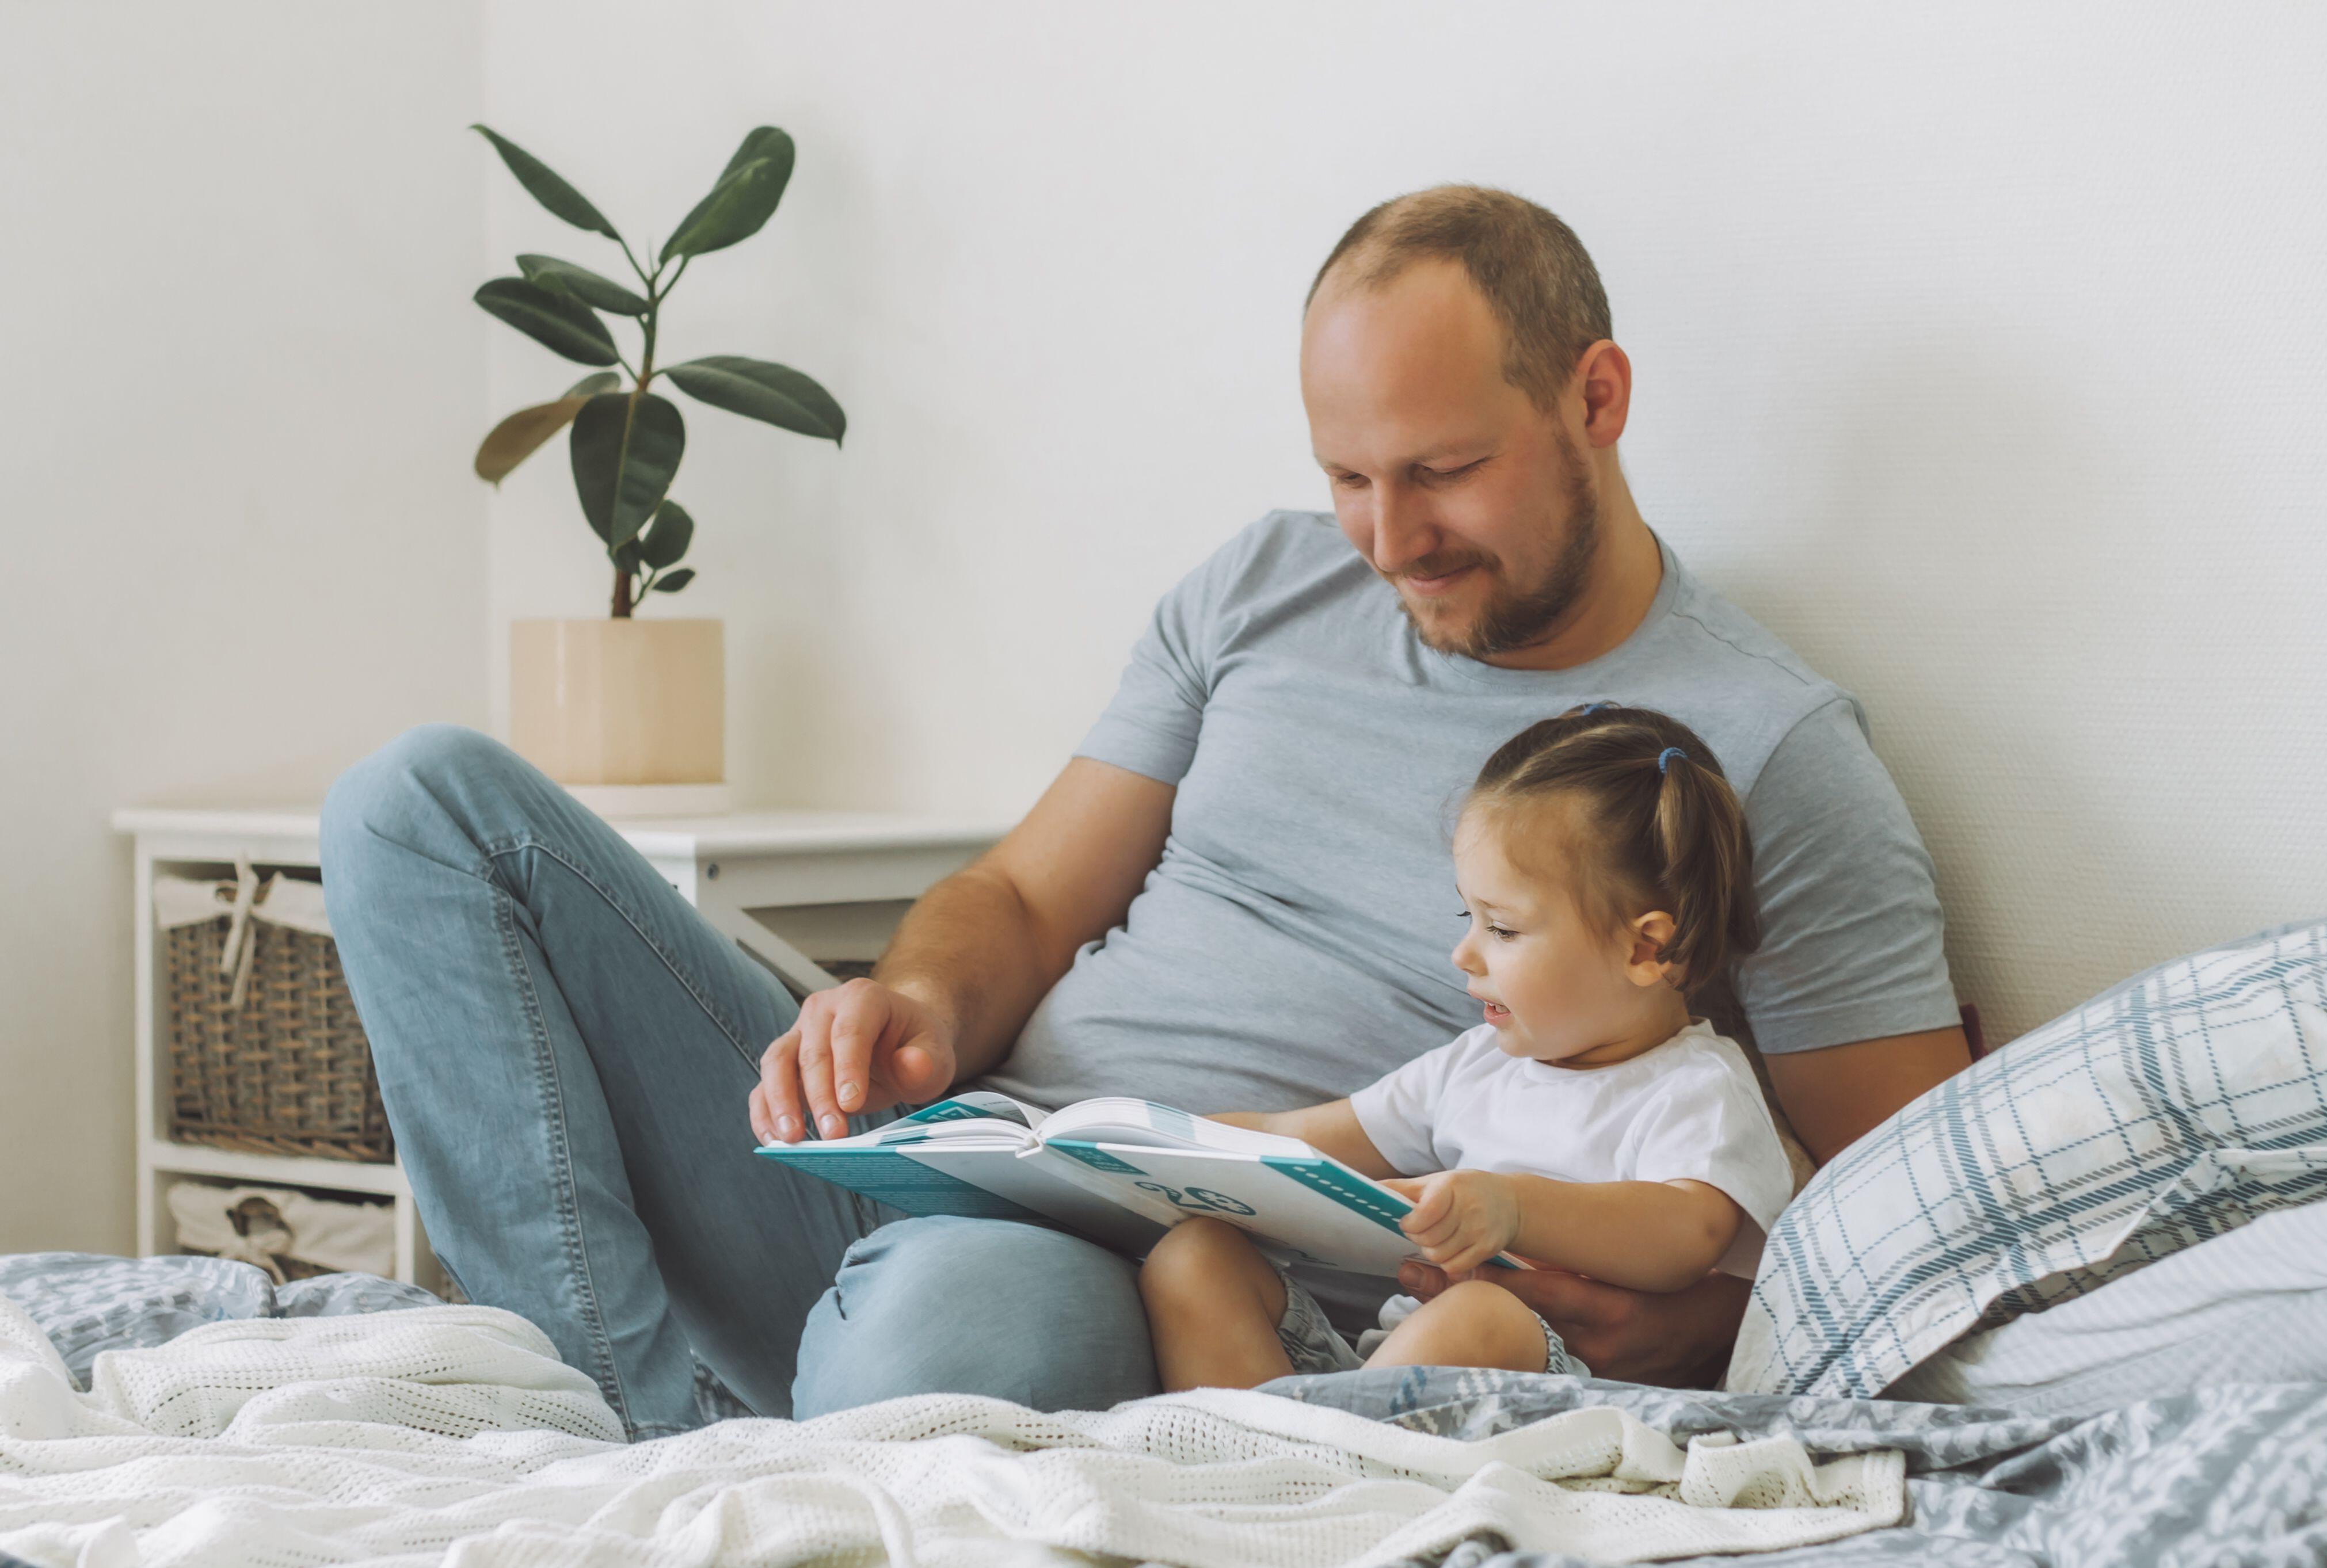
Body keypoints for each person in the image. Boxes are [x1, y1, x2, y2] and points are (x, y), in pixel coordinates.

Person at [321, 185, 1970, 1439]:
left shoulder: (1758, 744)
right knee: (420, 807)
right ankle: (614, 1442)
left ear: (1594, 402)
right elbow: (1026, 901)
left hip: (1180, 1267)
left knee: (928, 1373)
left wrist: (1684, 1311)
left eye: (1441, 471)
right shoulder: (1262, 582)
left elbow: (1900, 1189)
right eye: (1347, 474)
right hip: (968, 1146)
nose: (1385, 539)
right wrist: (911, 1002)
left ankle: (712, 1461)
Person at [1140, 707, 1793, 1389]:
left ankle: (1304, 1452)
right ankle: (1247, 1458)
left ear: (1642, 948)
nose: (1463, 953)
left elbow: (1686, 1237)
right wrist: (1157, 1149)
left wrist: (1511, 1208)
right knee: (1194, 1256)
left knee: (1483, 1313)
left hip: (1561, 1395)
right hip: (1378, 1378)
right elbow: (1292, 1139)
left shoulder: (1697, 1088)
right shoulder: (1476, 1064)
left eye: (1502, 929)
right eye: (1468, 916)